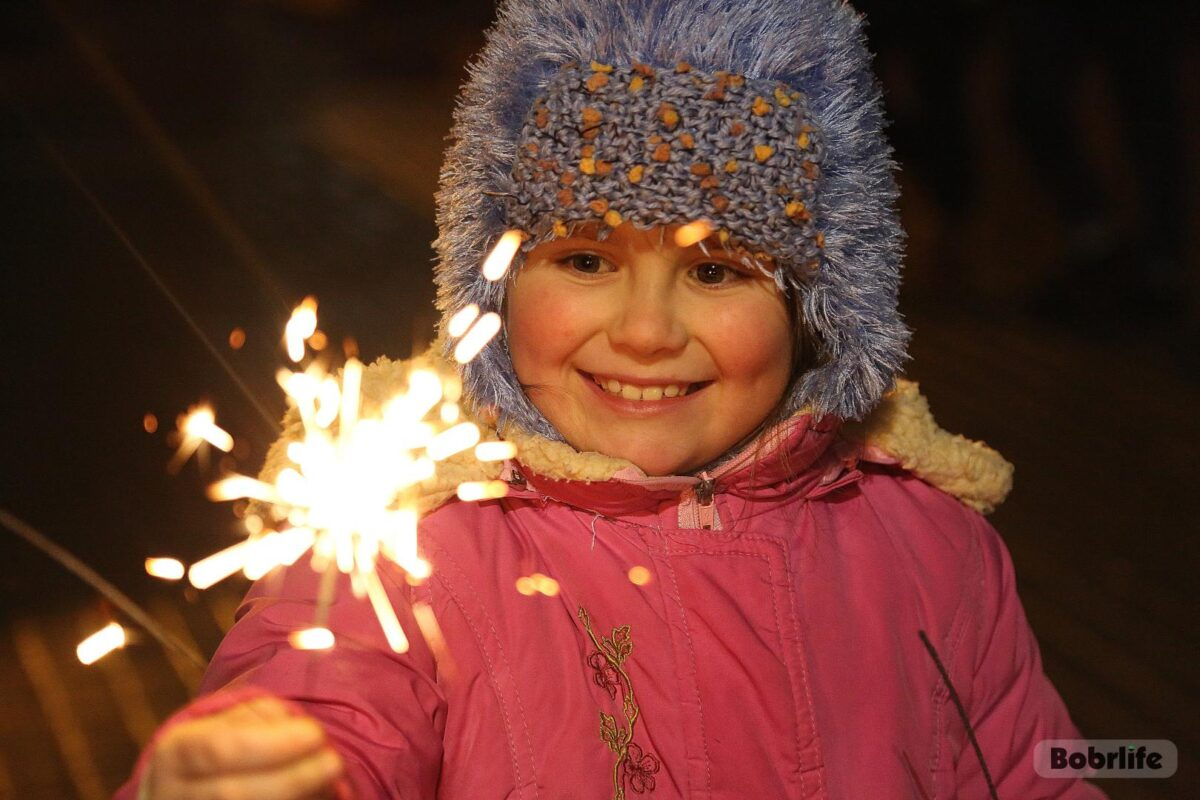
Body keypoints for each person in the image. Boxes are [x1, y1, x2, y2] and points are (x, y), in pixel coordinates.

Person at [117, 0, 1107, 797]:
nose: (644, 330)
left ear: (814, 304)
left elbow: (1031, 769)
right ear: (496, 283)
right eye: (586, 257)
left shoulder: (928, 544)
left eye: (718, 270)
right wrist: (252, 763)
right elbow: (327, 701)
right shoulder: (409, 549)